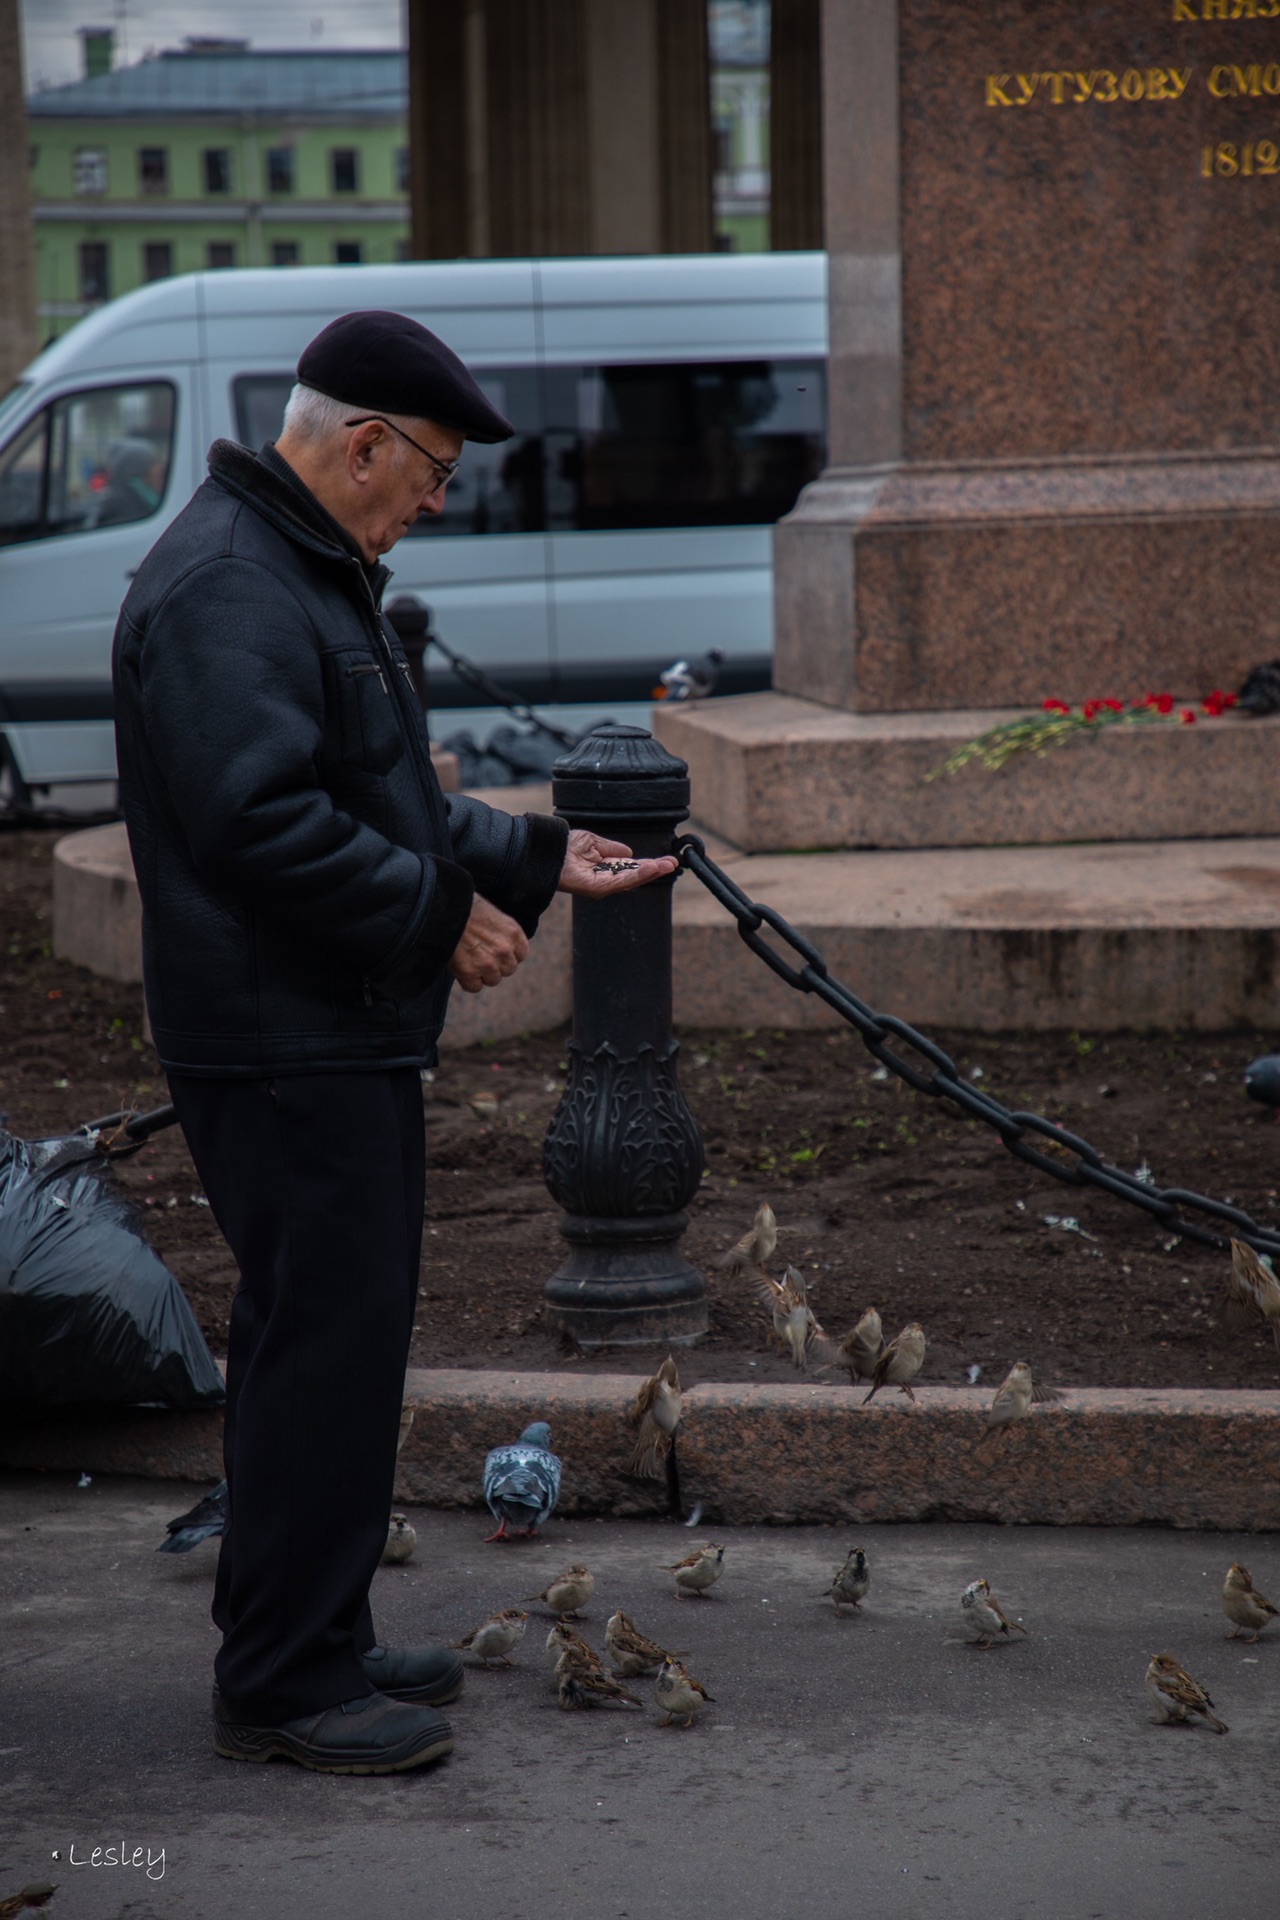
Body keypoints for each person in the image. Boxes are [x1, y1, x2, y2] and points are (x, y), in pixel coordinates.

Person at [111, 310, 676, 1776]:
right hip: (285, 1038)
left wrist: (539, 857)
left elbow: (371, 796)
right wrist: (441, 919)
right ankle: (288, 1684)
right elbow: (260, 825)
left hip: (319, 1027)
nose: (435, 503)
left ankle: (319, 1629)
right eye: (429, 473)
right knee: (321, 1352)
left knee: (335, 1349)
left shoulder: (299, 564)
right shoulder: (234, 586)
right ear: (360, 442)